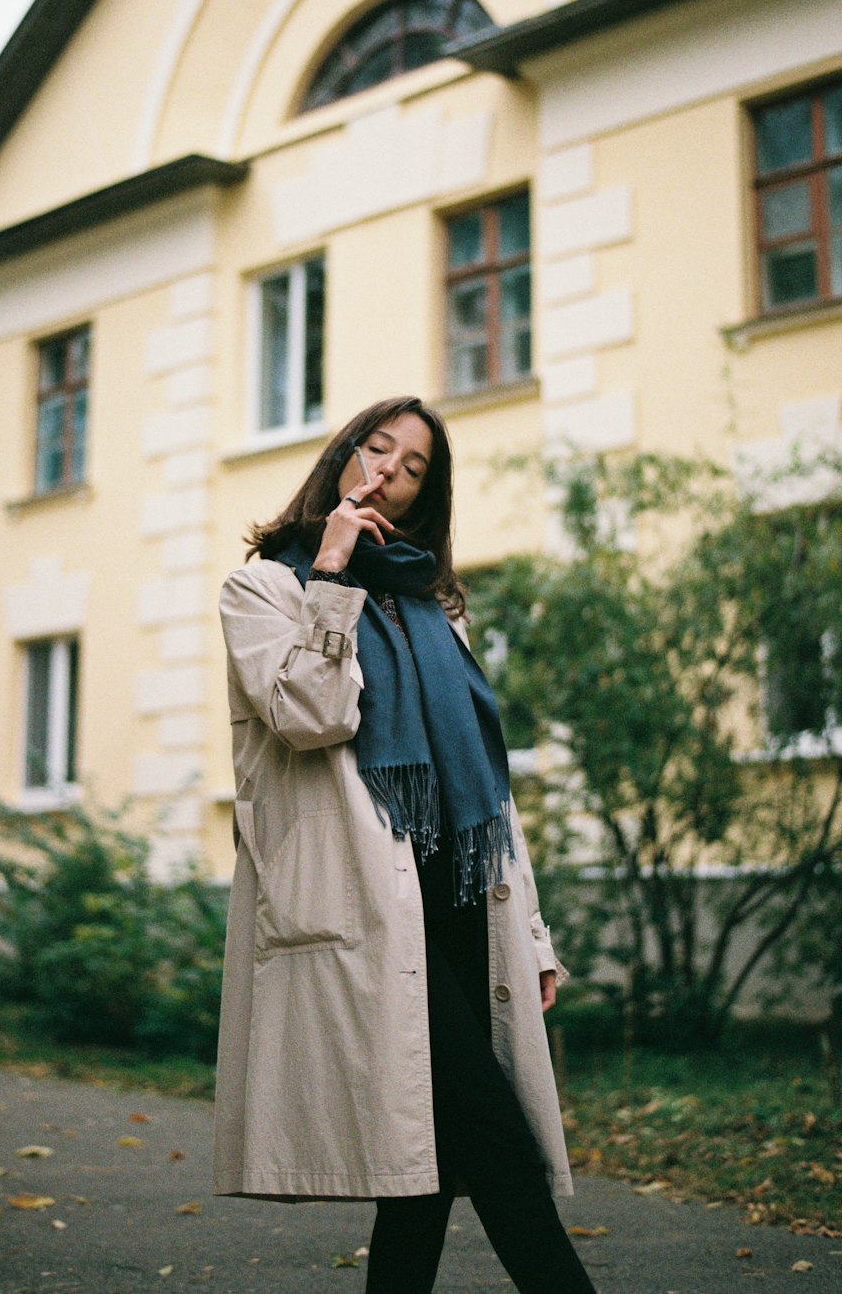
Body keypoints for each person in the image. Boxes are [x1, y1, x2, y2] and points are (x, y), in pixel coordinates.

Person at [214, 396, 597, 1294]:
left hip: (460, 903)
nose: (388, 470)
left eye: (413, 465)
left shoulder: (437, 613)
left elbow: (487, 790)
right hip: (366, 911)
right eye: (375, 448)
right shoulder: (265, 588)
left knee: (426, 1170)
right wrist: (335, 570)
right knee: (494, 1140)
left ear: (426, 497)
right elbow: (312, 713)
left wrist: (533, 935)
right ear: (343, 457)